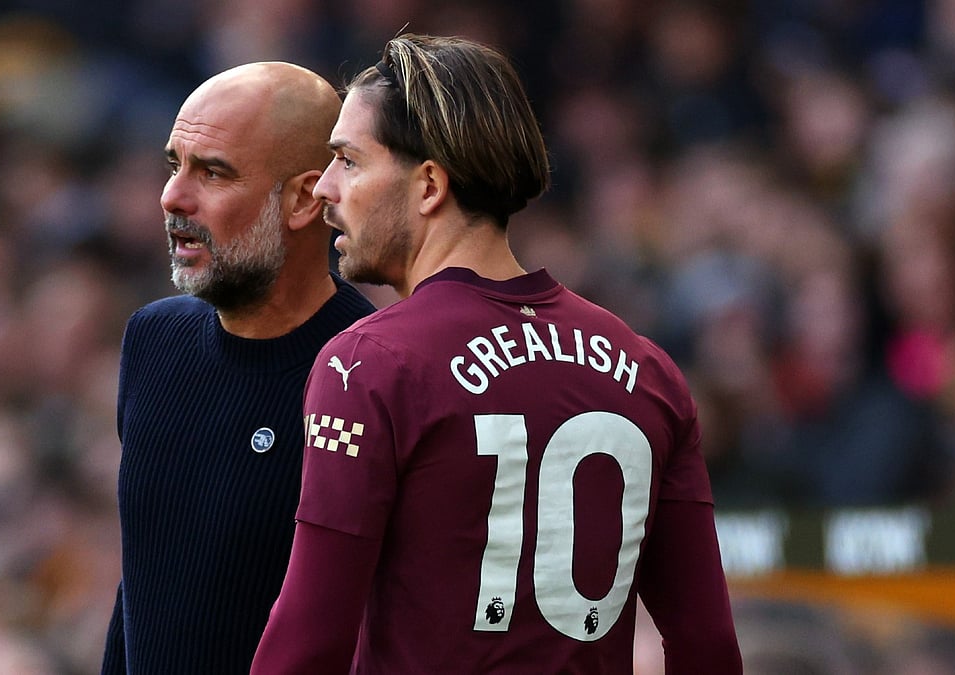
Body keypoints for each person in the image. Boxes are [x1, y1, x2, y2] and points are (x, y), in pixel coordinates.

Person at [252, 34, 743, 674]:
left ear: (428, 184)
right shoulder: (648, 370)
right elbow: (706, 647)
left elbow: (309, 640)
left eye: (348, 161)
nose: (325, 190)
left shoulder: (367, 365)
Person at [99, 61, 376, 674]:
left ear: (305, 198)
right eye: (175, 165)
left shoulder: (370, 374)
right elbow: (141, 584)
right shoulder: (153, 339)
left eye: (213, 172)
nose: (172, 196)